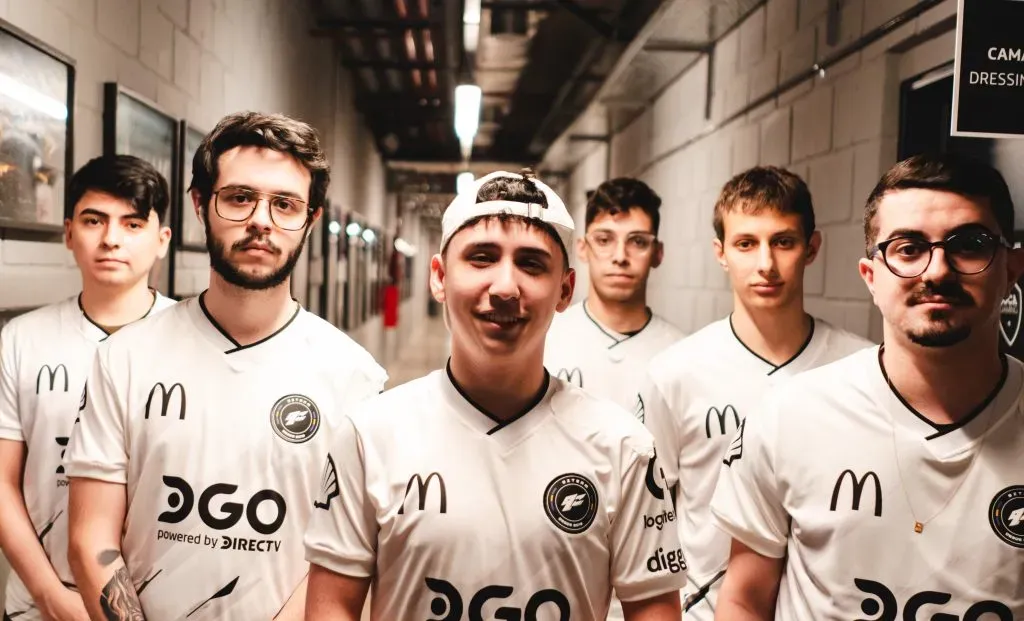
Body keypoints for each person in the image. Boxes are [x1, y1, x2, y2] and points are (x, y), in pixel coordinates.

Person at [303, 170, 686, 620]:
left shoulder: (626, 449)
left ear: (564, 289)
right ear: (439, 277)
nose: (505, 288)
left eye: (531, 264)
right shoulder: (370, 436)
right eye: (482, 258)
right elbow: (331, 608)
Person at [63, 112, 387, 621]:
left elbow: (346, 564)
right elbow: (90, 539)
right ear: (200, 204)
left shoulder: (356, 379)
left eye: (285, 204)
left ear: (311, 219)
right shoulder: (124, 357)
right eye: (239, 198)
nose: (261, 220)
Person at [711, 153, 1024, 619]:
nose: (937, 271)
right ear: (871, 277)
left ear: (1012, 267)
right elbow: (744, 601)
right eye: (908, 248)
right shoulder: (790, 414)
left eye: (969, 245)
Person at [641, 166, 871, 620]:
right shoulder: (675, 372)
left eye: (783, 242)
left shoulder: (860, 368)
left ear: (812, 248)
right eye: (746, 243)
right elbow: (647, 517)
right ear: (721, 252)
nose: (766, 263)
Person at [0, 155, 176, 621]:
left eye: (132, 224)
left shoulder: (192, 341)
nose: (111, 238)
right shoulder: (22, 338)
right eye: (94, 220)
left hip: (158, 604)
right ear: (68, 232)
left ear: (162, 240)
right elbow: (2, 482)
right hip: (40, 602)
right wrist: (49, 596)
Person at [544, 178, 684, 413]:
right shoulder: (544, 339)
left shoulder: (680, 354)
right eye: (604, 240)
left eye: (638, 241)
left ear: (657, 253)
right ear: (582, 249)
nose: (620, 256)